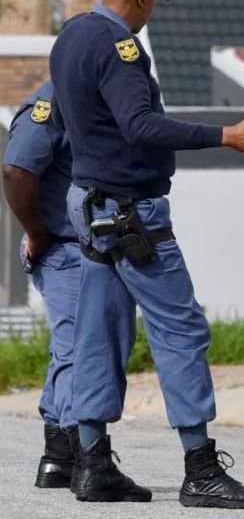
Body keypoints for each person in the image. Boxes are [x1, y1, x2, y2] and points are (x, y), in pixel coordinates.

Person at [49, 0, 244, 508]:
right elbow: (141, 125)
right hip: (131, 213)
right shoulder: (122, 49)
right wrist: (226, 135)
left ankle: (92, 464)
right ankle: (200, 469)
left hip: (89, 204)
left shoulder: (71, 35)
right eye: (154, 2)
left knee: (97, 335)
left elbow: (64, 121)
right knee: (181, 331)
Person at [2, 82, 81, 491]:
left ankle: (60, 456)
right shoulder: (50, 102)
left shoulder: (91, 95)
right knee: (76, 348)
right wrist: (36, 234)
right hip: (63, 247)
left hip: (89, 246)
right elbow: (16, 171)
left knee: (74, 348)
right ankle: (73, 452)